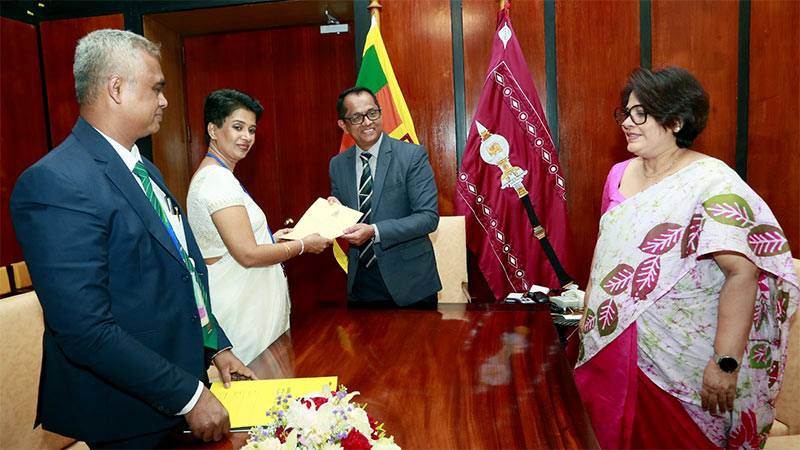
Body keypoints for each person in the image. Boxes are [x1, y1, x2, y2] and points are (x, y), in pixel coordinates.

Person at [10, 29, 256, 448]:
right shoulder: (56, 181)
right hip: (129, 413)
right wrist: (189, 396)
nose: (165, 100)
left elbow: (179, 272)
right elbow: (85, 329)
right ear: (116, 88)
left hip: (174, 390)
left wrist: (215, 346)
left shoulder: (143, 168)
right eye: (156, 88)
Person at [575, 67, 799, 449]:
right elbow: (607, 246)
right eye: (625, 112)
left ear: (676, 121)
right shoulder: (617, 175)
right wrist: (588, 311)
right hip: (609, 344)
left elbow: (742, 274)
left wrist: (725, 362)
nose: (627, 122)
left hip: (678, 359)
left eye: (641, 113)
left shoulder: (712, 182)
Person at [186, 89, 331, 365]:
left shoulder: (220, 175)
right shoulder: (217, 180)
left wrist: (272, 239)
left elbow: (230, 245)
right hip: (241, 312)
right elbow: (248, 255)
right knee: (254, 384)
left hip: (247, 306)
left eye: (251, 130)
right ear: (213, 130)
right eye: (238, 127)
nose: (247, 137)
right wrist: (302, 245)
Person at [328, 86, 441, 308]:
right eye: (357, 118)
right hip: (362, 281)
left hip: (410, 281)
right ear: (343, 125)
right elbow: (342, 209)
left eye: (372, 113)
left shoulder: (412, 155)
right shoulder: (337, 164)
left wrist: (374, 231)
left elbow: (428, 218)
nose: (367, 122)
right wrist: (334, 210)